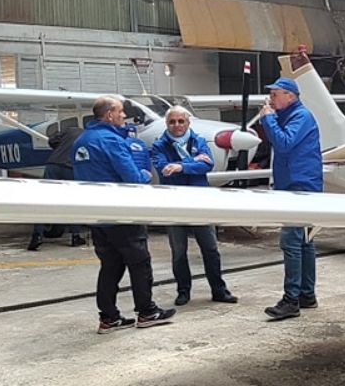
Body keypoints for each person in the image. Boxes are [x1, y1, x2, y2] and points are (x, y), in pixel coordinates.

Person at [72, 96, 175, 334]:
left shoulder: (82, 140)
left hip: (97, 216)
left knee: (110, 266)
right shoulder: (111, 140)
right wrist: (145, 175)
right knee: (139, 264)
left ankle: (108, 317)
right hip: (122, 213)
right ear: (109, 115)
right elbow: (132, 177)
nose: (123, 116)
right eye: (120, 112)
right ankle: (147, 312)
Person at [151, 106, 239, 306]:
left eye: (181, 121)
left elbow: (207, 165)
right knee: (179, 251)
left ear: (188, 123)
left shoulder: (198, 140)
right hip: (175, 205)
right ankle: (183, 291)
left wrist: (181, 166)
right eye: (172, 122)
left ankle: (219, 290)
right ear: (167, 124)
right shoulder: (158, 146)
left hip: (200, 203)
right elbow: (164, 169)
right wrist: (193, 163)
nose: (177, 125)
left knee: (210, 248)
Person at [259, 77, 322, 320]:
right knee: (304, 242)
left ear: (290, 96)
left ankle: (291, 299)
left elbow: (284, 144)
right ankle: (307, 294)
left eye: (275, 94)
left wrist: (267, 118)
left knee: (291, 242)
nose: (271, 99)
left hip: (299, 187)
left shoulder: (300, 116)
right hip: (300, 185)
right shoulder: (293, 116)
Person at [28, 125, 86, 251]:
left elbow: (52, 140)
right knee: (73, 202)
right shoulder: (89, 136)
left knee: (44, 201)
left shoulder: (69, 129)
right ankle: (75, 236)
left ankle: (37, 235)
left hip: (53, 165)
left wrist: (59, 149)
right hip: (71, 167)